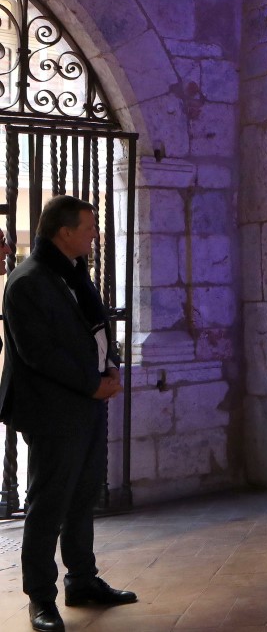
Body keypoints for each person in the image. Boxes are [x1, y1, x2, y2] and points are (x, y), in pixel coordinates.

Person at [0, 196, 138, 632]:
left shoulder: (74, 273)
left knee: (82, 497)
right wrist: (93, 384)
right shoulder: (27, 282)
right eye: (90, 226)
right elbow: (39, 353)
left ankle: (82, 580)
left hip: (87, 403)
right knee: (48, 504)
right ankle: (41, 598)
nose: (95, 233)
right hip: (54, 409)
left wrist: (111, 365)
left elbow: (96, 328)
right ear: (64, 232)